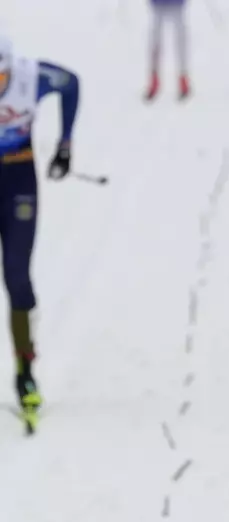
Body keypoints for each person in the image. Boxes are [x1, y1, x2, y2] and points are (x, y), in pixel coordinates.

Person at [0, 35, 77, 435]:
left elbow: (71, 83)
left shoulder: (32, 76)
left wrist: (65, 145)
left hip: (18, 179)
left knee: (16, 274)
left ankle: (25, 371)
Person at [147, 0, 190, 102]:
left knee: (180, 40)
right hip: (158, 4)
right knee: (156, 40)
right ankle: (154, 79)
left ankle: (183, 78)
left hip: (177, 4)